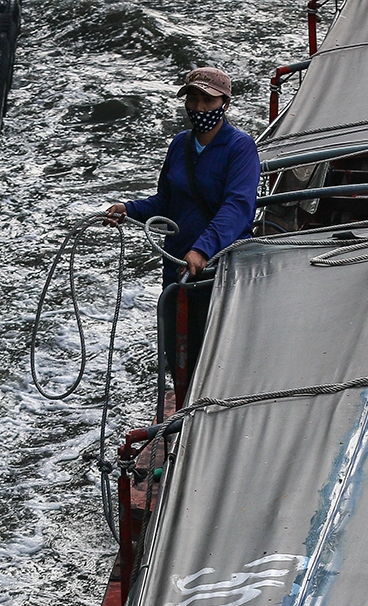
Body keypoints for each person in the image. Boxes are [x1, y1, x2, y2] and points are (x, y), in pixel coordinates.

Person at [106, 67, 261, 395]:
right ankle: (184, 411)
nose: (200, 107)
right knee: (178, 348)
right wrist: (129, 209)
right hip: (178, 266)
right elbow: (166, 200)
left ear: (225, 104)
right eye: (194, 99)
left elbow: (237, 208)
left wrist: (203, 249)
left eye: (208, 100)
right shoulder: (180, 144)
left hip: (219, 266)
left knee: (215, 350)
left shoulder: (240, 148)